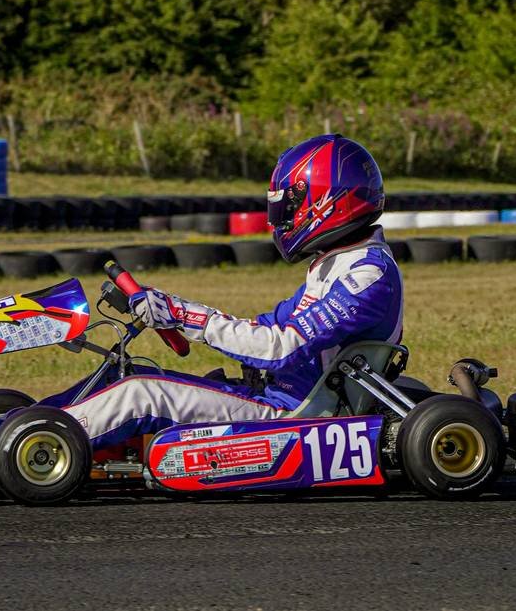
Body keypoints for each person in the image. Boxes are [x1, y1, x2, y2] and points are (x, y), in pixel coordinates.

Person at [59, 134, 404, 448]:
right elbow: (266, 328)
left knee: (139, 394)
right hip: (274, 396)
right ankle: (21, 423)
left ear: (326, 201)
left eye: (288, 209)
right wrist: (179, 312)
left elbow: (279, 347)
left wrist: (185, 315)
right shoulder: (337, 265)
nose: (282, 221)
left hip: (298, 417)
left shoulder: (368, 274)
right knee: (127, 373)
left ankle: (38, 443)